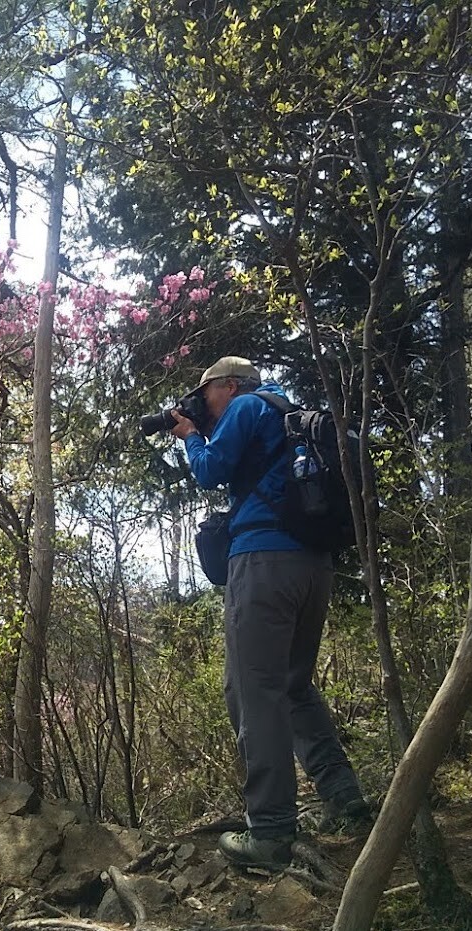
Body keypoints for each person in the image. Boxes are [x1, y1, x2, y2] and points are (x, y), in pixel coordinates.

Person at [169, 355, 369, 871]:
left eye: (206, 391)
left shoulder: (245, 406)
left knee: (253, 691)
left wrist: (190, 436)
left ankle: (272, 832)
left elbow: (211, 471)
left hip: (263, 563)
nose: (204, 401)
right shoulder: (287, 412)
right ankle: (344, 797)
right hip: (314, 566)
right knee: (294, 687)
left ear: (230, 385)